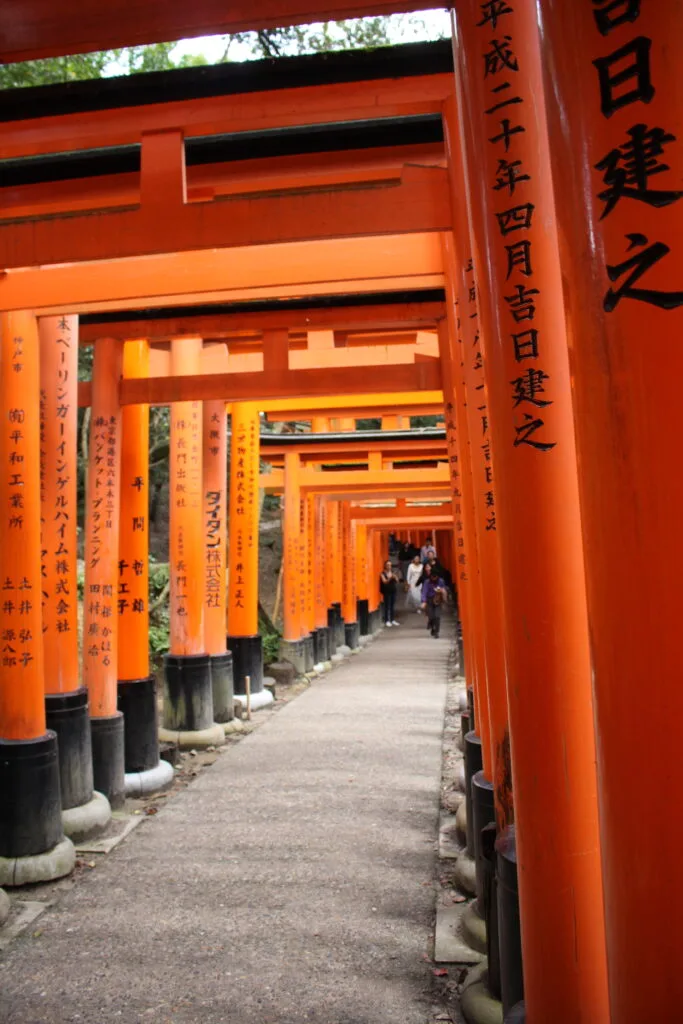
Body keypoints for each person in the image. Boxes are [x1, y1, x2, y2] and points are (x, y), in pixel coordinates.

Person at [421, 570, 447, 638]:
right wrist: (424, 601)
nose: (434, 578)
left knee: (437, 616)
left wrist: (441, 590)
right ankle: (432, 627)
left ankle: (437, 631)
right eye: (432, 577)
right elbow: (424, 591)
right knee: (431, 616)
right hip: (429, 600)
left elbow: (444, 589)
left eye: (435, 577)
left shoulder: (441, 581)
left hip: (438, 600)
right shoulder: (427, 582)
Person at [379, 559, 400, 627]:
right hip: (386, 592)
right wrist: (390, 578)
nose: (389, 566)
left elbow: (397, 581)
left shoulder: (393, 572)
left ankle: (392, 619)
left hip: (393, 591)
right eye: (387, 565)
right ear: (385, 566)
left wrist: (395, 577)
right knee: (387, 606)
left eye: (390, 565)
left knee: (392, 606)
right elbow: (384, 582)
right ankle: (387, 620)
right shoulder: (382, 573)